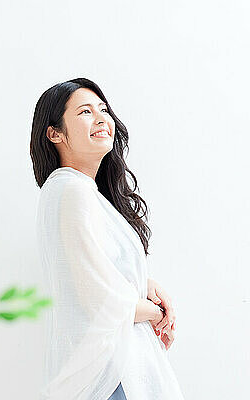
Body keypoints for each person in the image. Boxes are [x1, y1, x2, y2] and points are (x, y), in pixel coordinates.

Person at [30, 78, 185, 400]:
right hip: (109, 375)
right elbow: (96, 298)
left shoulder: (84, 192)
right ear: (55, 133)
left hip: (114, 370)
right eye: (85, 112)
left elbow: (92, 271)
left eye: (104, 109)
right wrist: (158, 314)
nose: (102, 119)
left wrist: (144, 284)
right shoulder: (70, 189)